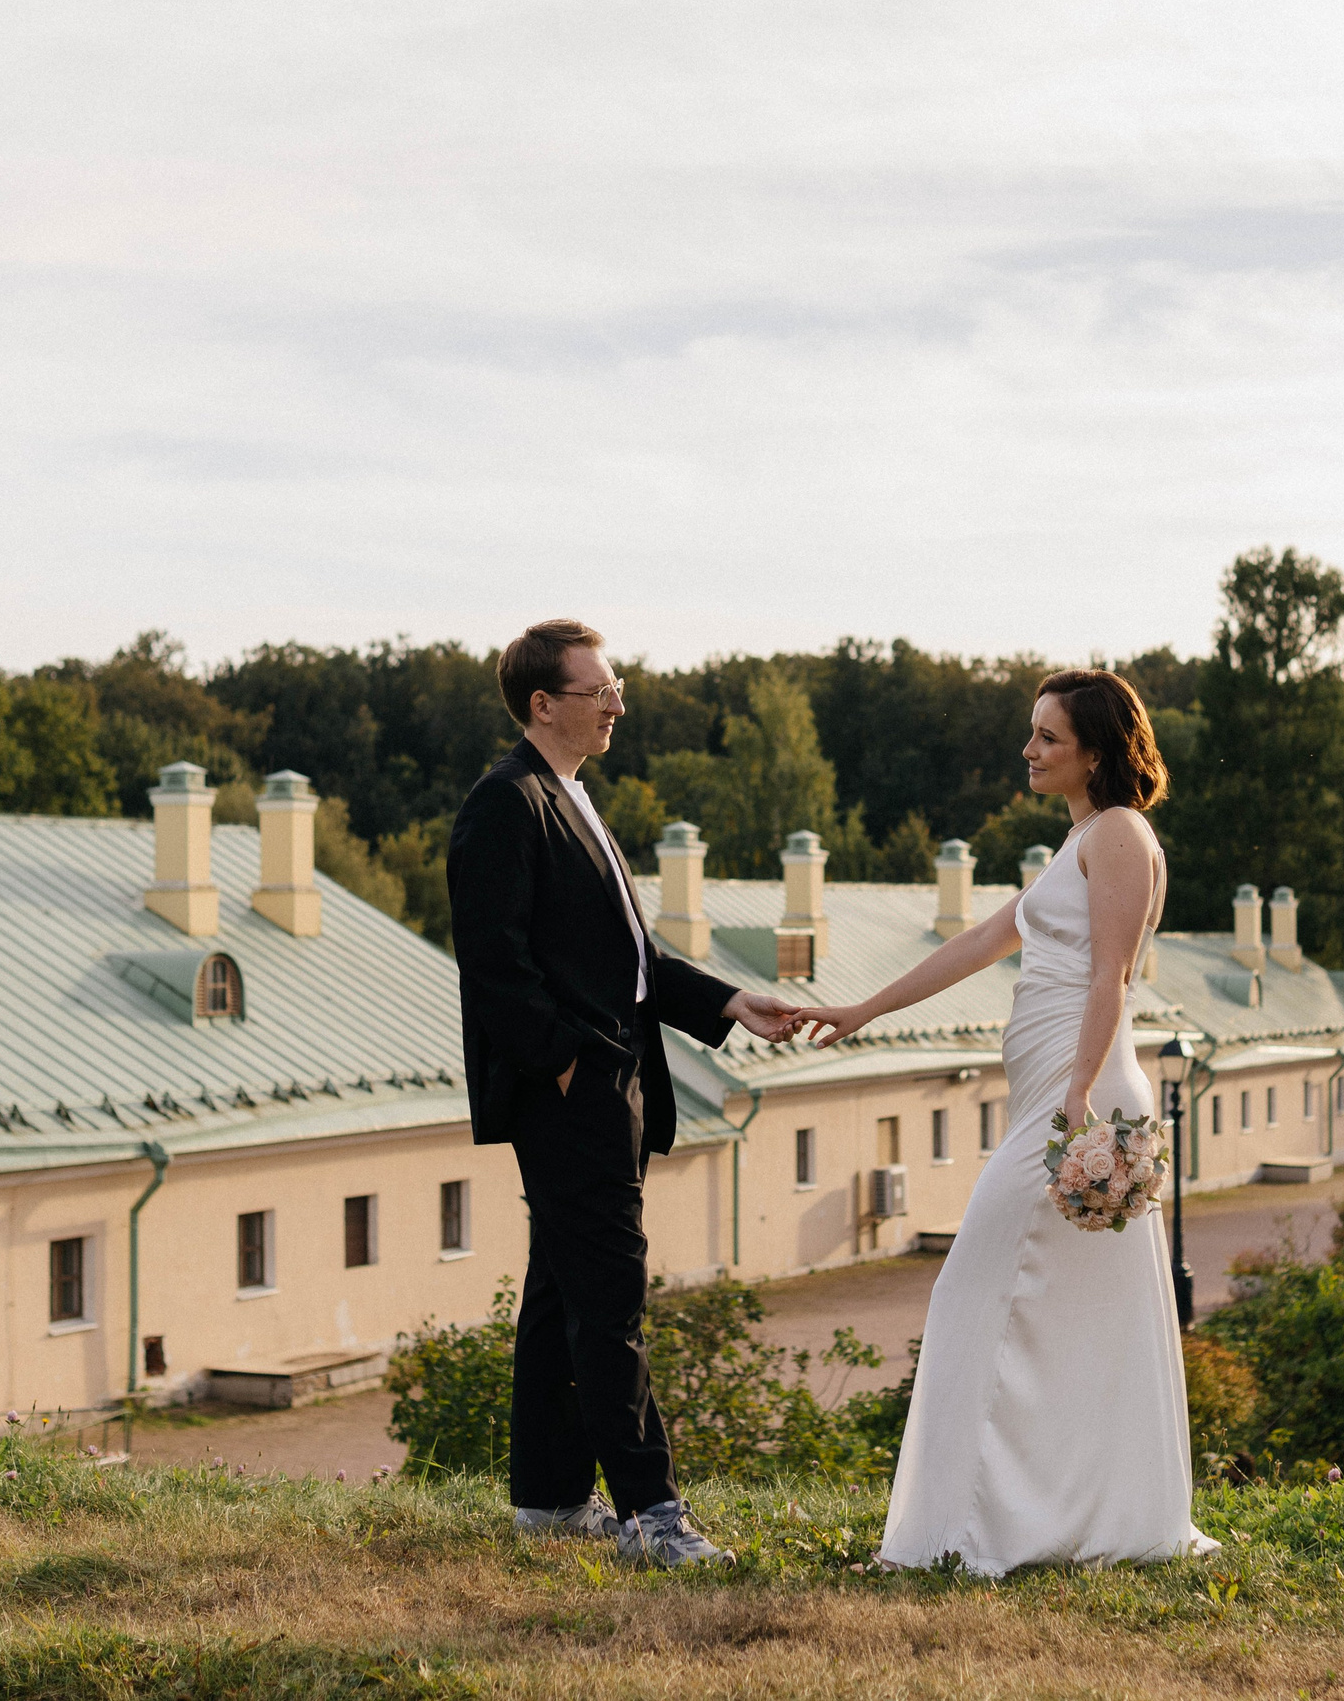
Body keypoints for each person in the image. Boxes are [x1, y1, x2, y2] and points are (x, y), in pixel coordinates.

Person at [796, 669, 1216, 1576]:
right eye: (1032, 733)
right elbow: (977, 945)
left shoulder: (1121, 836)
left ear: (1095, 751)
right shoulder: (1078, 843)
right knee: (1064, 1318)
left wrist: (1078, 1098)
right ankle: (1049, 1518)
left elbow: (1110, 977)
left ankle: (971, 1531)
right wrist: (860, 1009)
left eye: (1048, 737)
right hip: (1057, 1096)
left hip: (1081, 1103)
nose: (1029, 750)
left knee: (970, 1292)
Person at [447, 618, 802, 1567]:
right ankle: (652, 1514)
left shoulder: (571, 797)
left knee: (560, 1291)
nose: (616, 701)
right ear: (542, 704)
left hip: (612, 1084)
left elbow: (633, 963)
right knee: (612, 1300)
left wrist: (730, 999)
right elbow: (495, 964)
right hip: (571, 1093)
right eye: (598, 688)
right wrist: (566, 1064)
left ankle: (550, 1504)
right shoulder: (506, 803)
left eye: (616, 685)